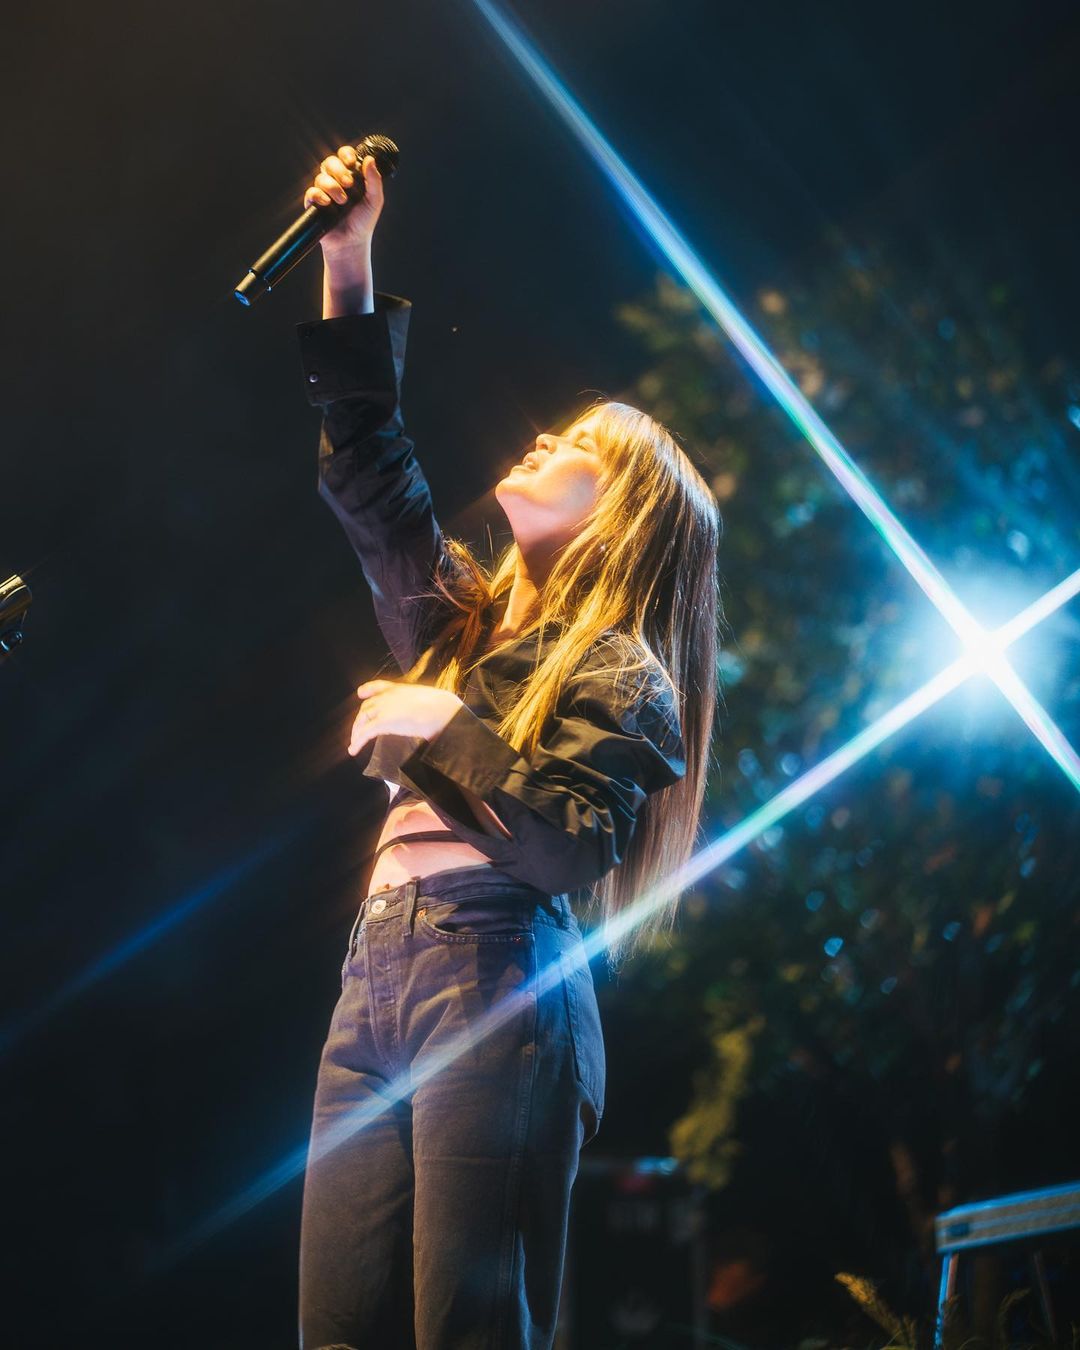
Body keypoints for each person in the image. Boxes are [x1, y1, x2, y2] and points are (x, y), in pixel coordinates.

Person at [295, 144, 722, 1350]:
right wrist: (348, 256)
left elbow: (567, 845)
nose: (541, 439)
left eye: (580, 444)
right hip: (375, 977)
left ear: (622, 516)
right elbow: (370, 468)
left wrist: (443, 732)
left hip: (497, 978)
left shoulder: (625, 676)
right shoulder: (460, 624)